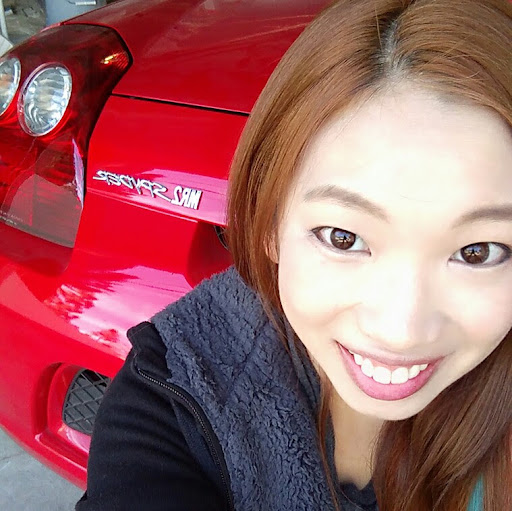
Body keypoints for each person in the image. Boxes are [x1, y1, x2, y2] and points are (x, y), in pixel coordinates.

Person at [76, 0, 512, 509]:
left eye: (478, 252)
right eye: (343, 238)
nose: (402, 331)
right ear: (269, 224)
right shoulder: (177, 400)